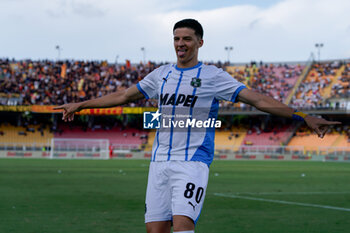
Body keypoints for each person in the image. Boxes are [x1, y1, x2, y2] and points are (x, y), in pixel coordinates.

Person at [54, 19, 340, 233]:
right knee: (155, 229)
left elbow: (258, 100)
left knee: (182, 224)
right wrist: (81, 104)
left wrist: (302, 116)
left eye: (187, 39)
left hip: (192, 163)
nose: (181, 44)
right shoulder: (160, 75)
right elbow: (123, 96)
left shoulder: (213, 76)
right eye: (177, 38)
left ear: (199, 43)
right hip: (159, 163)